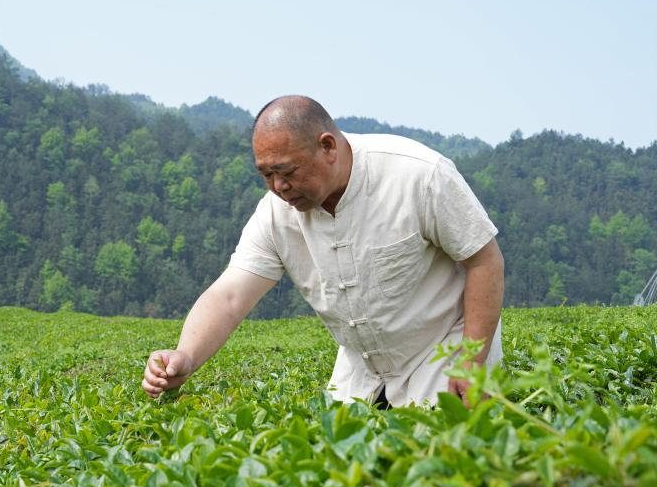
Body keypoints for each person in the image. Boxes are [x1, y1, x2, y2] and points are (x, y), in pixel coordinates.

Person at [142, 95, 504, 408]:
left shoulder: (419, 176)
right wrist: (185, 356)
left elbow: (484, 260)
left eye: (287, 172)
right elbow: (230, 295)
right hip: (363, 368)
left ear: (327, 147)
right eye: (266, 175)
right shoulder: (275, 213)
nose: (279, 187)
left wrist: (471, 360)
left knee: (435, 453)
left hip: (444, 351)